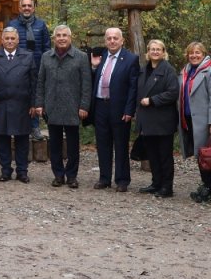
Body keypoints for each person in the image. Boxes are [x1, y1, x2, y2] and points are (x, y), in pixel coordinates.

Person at [33, 24, 91, 189]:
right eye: (58, 35)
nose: (61, 38)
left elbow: (86, 85)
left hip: (73, 107)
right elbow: (40, 83)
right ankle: (58, 175)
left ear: (70, 38)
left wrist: (84, 106)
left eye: (65, 35)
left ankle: (72, 176)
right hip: (52, 107)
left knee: (73, 145)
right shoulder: (46, 57)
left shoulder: (80, 57)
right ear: (54, 38)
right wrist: (39, 103)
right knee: (55, 145)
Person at [90, 27, 139, 192]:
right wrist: (94, 68)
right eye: (109, 38)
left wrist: (129, 110)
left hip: (119, 108)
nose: (112, 41)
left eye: (115, 38)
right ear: (105, 41)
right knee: (102, 144)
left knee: (121, 144)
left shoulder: (131, 59)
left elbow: (133, 87)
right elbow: (93, 80)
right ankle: (104, 178)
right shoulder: (101, 57)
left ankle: (122, 179)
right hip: (100, 106)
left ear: (122, 40)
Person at [0, 27, 34, 183]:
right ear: (2, 40)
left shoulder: (28, 56)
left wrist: (34, 104)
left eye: (13, 38)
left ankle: (22, 171)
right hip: (0, 105)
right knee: (2, 139)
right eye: (7, 38)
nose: (10, 41)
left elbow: (34, 82)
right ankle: (5, 170)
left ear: (18, 40)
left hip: (22, 104)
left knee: (22, 140)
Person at [177, 42, 211, 203]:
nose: (194, 55)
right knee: (200, 156)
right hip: (189, 120)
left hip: (205, 122)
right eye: (191, 53)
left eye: (197, 53)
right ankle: (206, 185)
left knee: (207, 155)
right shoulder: (186, 72)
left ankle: (210, 189)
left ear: (204, 54)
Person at [136, 40, 180, 198]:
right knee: (152, 154)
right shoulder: (143, 70)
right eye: (152, 49)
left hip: (163, 120)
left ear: (163, 52)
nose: (155, 52)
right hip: (147, 120)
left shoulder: (168, 70)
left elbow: (173, 92)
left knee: (164, 156)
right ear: (148, 51)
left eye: (158, 49)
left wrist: (153, 100)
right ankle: (156, 183)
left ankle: (167, 187)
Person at [7, 0, 50, 142]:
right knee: (18, 97)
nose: (26, 8)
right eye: (23, 6)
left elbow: (46, 48)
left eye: (29, 6)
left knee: (35, 97)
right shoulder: (12, 25)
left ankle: (35, 126)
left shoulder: (41, 25)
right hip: (17, 68)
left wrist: (45, 66)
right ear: (19, 8)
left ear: (33, 8)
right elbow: (8, 46)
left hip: (37, 67)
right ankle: (16, 126)